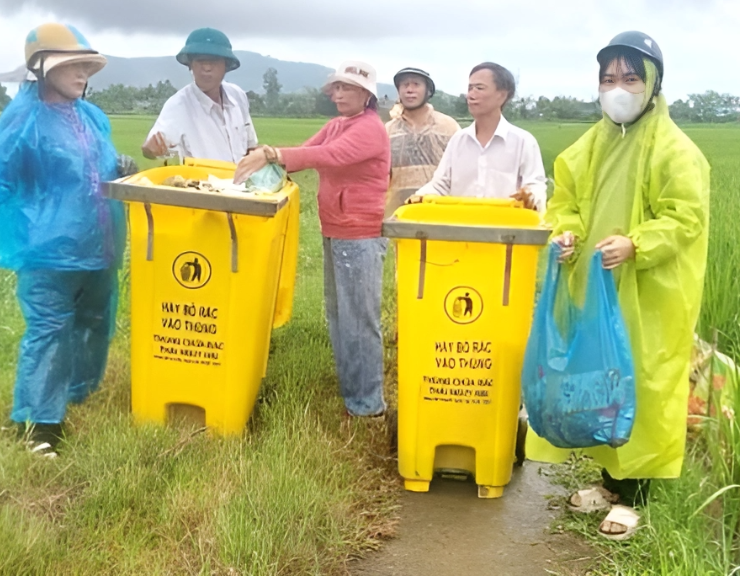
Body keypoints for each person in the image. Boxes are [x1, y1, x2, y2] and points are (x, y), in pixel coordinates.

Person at [527, 31, 710, 540]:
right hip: (600, 291)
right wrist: (567, 235)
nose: (618, 89)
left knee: (645, 385)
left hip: (650, 295)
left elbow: (684, 218)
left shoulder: (676, 150)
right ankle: (610, 483)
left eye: (630, 77)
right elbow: (568, 202)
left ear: (653, 84)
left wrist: (637, 243)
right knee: (604, 382)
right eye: (609, 79)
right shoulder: (591, 145)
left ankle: (639, 495)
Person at [0, 23, 133, 458]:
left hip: (100, 245)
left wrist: (123, 166)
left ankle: (75, 392)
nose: (82, 74)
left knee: (96, 323)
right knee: (50, 329)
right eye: (71, 65)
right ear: (43, 68)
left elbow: (102, 167)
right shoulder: (24, 120)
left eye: (84, 65)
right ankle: (38, 425)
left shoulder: (92, 116)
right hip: (48, 250)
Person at [233, 61, 390, 418]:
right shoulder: (337, 125)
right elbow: (304, 153)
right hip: (335, 228)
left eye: (346, 88)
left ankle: (368, 404)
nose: (337, 94)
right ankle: (353, 394)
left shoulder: (370, 129)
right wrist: (262, 162)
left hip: (361, 234)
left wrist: (273, 154)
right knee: (339, 316)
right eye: (335, 88)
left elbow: (329, 156)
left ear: (365, 94)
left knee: (359, 319)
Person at [416, 62, 546, 211]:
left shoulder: (523, 142)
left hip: (507, 228)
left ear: (502, 95)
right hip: (463, 227)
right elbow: (441, 185)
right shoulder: (458, 140)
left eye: (479, 88)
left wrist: (530, 196)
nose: (471, 95)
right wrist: (419, 197)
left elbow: (535, 185)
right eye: (470, 88)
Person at [141, 27, 257, 162]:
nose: (206, 68)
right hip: (201, 181)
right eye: (201, 61)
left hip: (241, 181)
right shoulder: (178, 105)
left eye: (213, 61)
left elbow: (251, 146)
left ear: (226, 65)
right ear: (190, 65)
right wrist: (150, 150)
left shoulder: (238, 97)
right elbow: (152, 148)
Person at [383, 67, 461, 217]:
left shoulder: (448, 127)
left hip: (440, 212)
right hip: (398, 215)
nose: (409, 90)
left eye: (416, 85)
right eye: (405, 85)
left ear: (428, 91)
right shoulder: (388, 130)